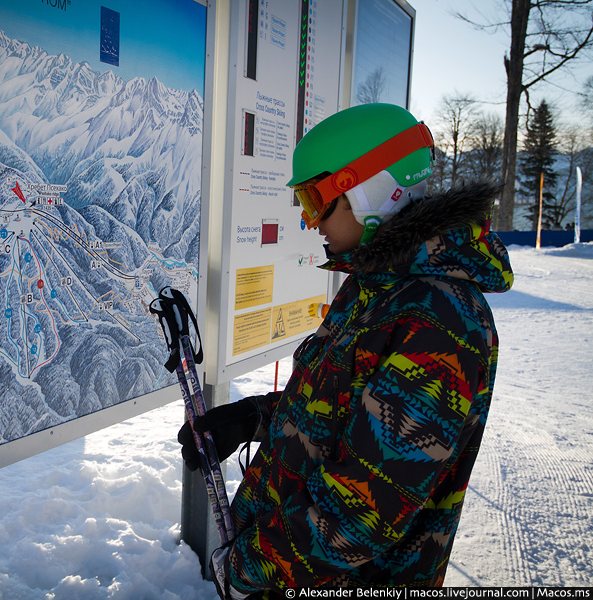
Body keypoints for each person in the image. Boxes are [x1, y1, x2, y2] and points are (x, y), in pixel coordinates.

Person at [178, 103, 514, 597]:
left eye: (316, 200)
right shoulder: (379, 286)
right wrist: (257, 418)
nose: (310, 222)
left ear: (370, 190)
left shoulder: (439, 321)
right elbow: (343, 410)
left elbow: (361, 513)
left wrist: (250, 567)